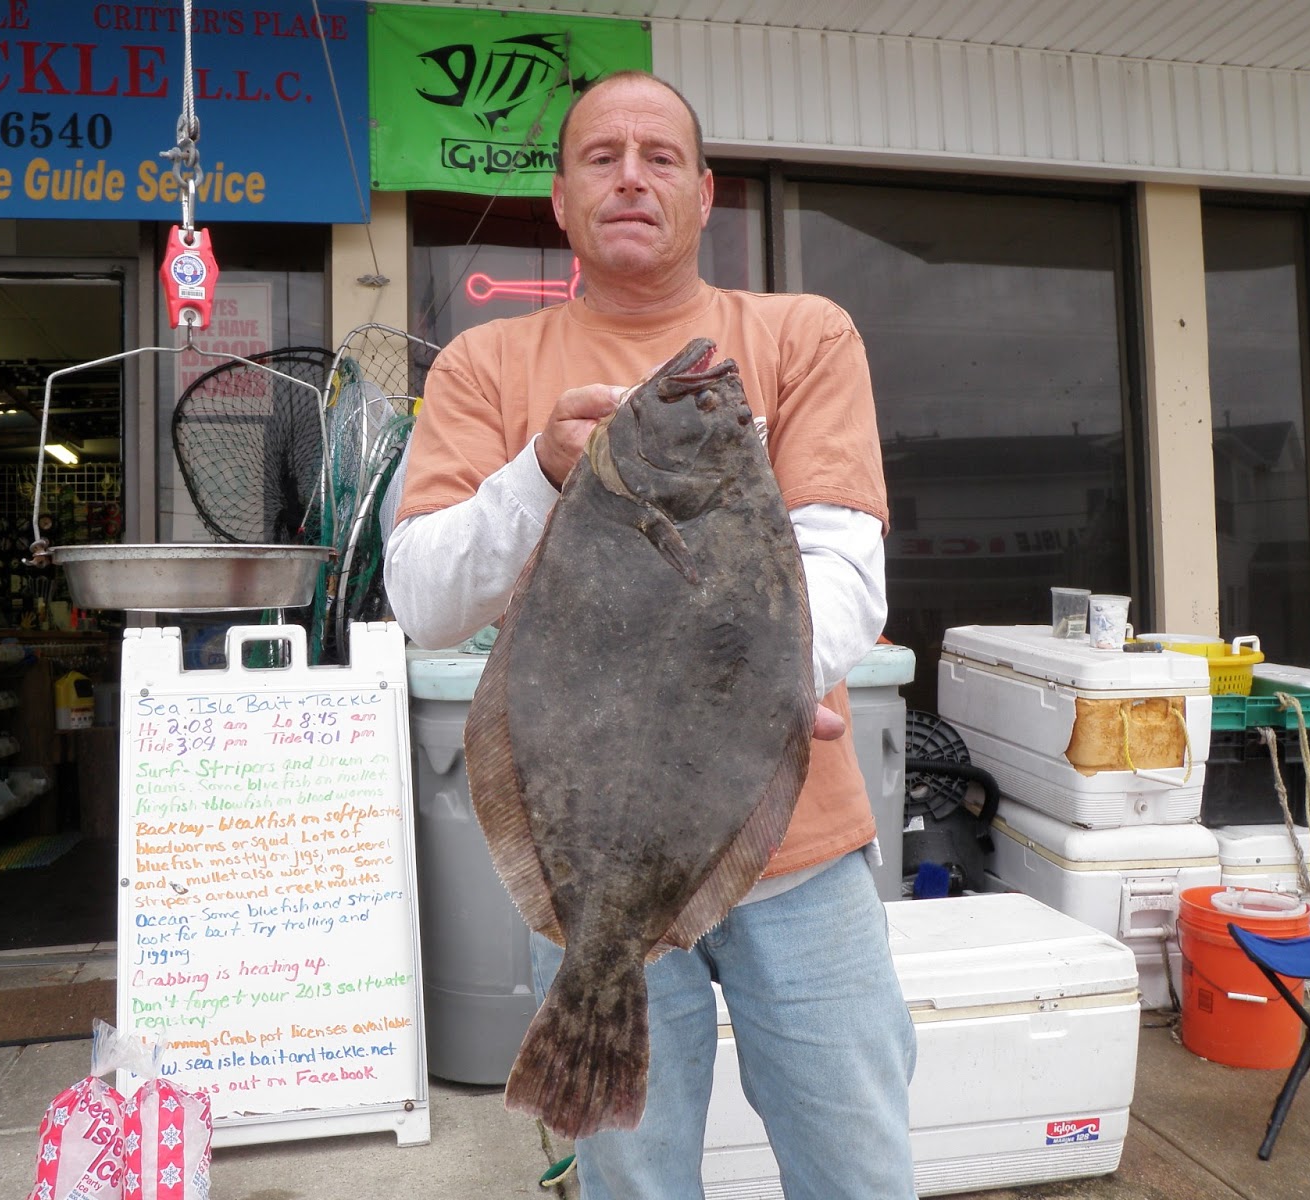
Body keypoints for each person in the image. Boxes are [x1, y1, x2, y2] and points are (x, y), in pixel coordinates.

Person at [383, 70, 916, 1200]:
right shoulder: (483, 367)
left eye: (661, 156)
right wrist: (536, 475)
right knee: (632, 1187)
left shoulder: (802, 335)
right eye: (601, 156)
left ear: (704, 192)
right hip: (586, 885)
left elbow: (846, 571)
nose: (632, 174)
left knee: (859, 1169)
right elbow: (423, 599)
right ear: (562, 202)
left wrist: (758, 688)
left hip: (800, 855)